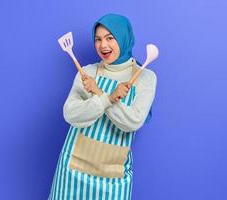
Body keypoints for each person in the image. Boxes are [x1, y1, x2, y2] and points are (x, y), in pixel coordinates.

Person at [48, 13, 157, 200]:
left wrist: (98, 93)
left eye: (110, 38)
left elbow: (132, 122)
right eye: (97, 39)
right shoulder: (88, 72)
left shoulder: (145, 77)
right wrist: (107, 99)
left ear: (124, 38)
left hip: (113, 174)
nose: (103, 46)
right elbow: (70, 114)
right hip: (73, 170)